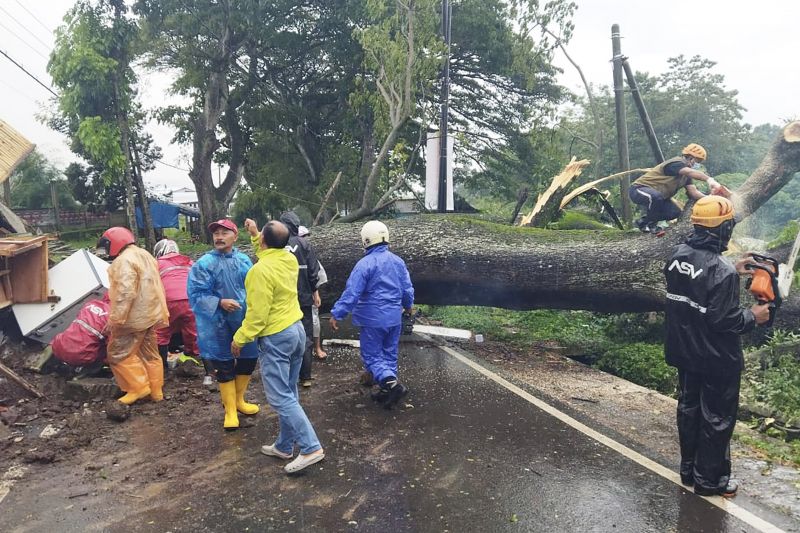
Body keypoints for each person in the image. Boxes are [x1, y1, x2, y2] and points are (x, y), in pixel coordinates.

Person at [664, 195, 770, 497]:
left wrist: (732, 269)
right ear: (721, 229)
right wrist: (754, 315)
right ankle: (710, 481)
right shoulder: (720, 271)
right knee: (717, 418)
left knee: (689, 408)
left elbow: (696, 289)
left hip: (685, 350)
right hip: (717, 358)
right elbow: (725, 321)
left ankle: (689, 471)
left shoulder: (677, 256)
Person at [234, 220, 324, 474]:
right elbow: (269, 252)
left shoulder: (259, 272)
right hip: (296, 331)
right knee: (289, 391)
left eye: (261, 234)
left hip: (276, 337)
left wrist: (240, 338)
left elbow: (257, 315)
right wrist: (255, 235)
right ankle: (285, 446)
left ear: (264, 241)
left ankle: (311, 447)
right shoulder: (288, 259)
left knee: (280, 396)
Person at [329, 220, 414, 409]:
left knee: (372, 356)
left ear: (366, 239)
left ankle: (391, 383)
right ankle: (387, 391)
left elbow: (352, 293)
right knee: (389, 354)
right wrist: (408, 307)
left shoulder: (364, 264)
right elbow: (407, 289)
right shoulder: (398, 262)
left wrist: (337, 313)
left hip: (373, 319)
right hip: (394, 318)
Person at [187, 219, 260, 430]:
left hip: (244, 320)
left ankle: (239, 401)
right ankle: (229, 410)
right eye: (216, 233)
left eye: (224, 232)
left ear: (235, 237)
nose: (219, 236)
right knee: (224, 364)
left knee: (248, 359)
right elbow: (195, 294)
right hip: (216, 324)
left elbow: (256, 287)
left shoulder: (245, 260)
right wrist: (219, 302)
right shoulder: (204, 264)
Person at [97, 227, 169, 405]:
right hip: (151, 314)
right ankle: (156, 391)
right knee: (150, 354)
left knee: (117, 354)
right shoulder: (144, 254)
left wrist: (115, 320)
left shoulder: (123, 261)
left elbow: (125, 293)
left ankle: (138, 388)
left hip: (133, 318)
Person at [629, 143, 727, 233]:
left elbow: (693, 192)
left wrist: (710, 198)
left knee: (675, 212)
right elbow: (690, 172)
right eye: (697, 161)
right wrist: (710, 180)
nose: (697, 165)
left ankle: (643, 221)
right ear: (690, 158)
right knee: (655, 197)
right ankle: (650, 225)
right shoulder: (676, 164)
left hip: (659, 197)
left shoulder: (686, 176)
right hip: (639, 189)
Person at [279, 212, 321, 387]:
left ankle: (288, 376)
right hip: (303, 297)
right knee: (305, 336)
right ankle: (305, 377)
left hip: (282, 299)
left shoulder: (277, 244)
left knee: (283, 335)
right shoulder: (304, 244)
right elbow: (313, 271)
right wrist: (315, 292)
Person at [153, 239, 199, 374]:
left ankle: (163, 367)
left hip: (168, 300)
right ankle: (193, 358)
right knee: (193, 331)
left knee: (161, 331)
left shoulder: (156, 264)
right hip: (190, 299)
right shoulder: (189, 261)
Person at [299, 225, 328, 360]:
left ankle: (316, 347)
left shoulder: (309, 254)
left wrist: (316, 293)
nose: (306, 240)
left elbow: (316, 275)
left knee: (314, 321)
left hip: (308, 295)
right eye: (303, 237)